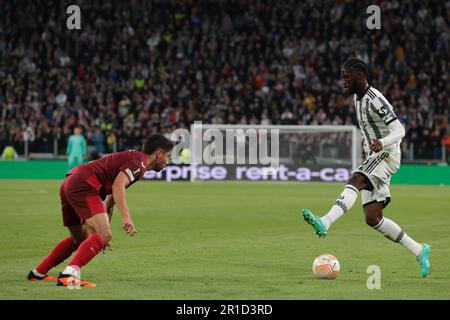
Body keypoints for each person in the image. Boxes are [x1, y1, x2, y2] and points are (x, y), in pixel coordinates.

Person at [301, 58, 431, 278]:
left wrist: (383, 143)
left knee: (355, 180)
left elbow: (400, 129)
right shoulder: (356, 99)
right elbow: (367, 128)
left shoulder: (376, 99)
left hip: (387, 154)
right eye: (342, 76)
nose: (342, 81)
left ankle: (325, 221)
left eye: (346, 76)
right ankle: (419, 250)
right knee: (373, 217)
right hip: (375, 154)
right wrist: (366, 145)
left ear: (360, 75)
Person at [27, 134, 174, 286]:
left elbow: (111, 199)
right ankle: (68, 275)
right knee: (102, 234)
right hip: (84, 184)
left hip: (70, 182)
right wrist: (126, 218)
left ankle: (38, 273)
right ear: (158, 154)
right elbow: (118, 187)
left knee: (78, 238)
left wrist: (102, 233)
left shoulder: (135, 159)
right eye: (168, 156)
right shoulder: (139, 163)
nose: (168, 161)